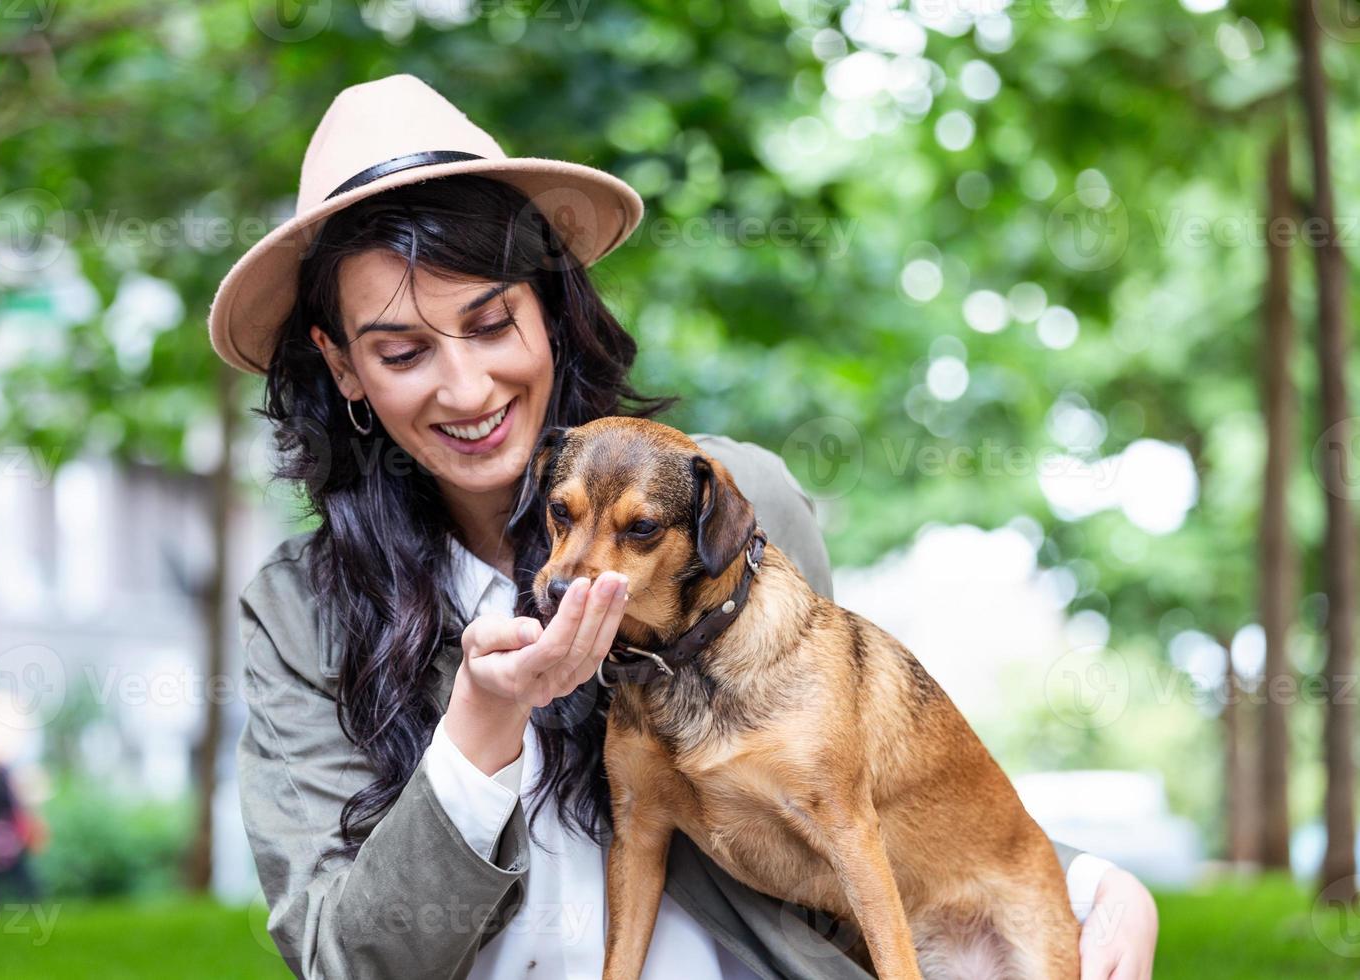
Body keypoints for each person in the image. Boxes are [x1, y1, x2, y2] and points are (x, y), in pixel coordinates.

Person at [209, 75, 1158, 979]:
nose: (465, 388)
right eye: (404, 350)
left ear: (549, 307)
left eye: (493, 323)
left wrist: (1086, 880)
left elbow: (848, 777)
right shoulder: (299, 616)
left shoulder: (741, 503)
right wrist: (479, 724)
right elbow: (346, 961)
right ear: (341, 368)